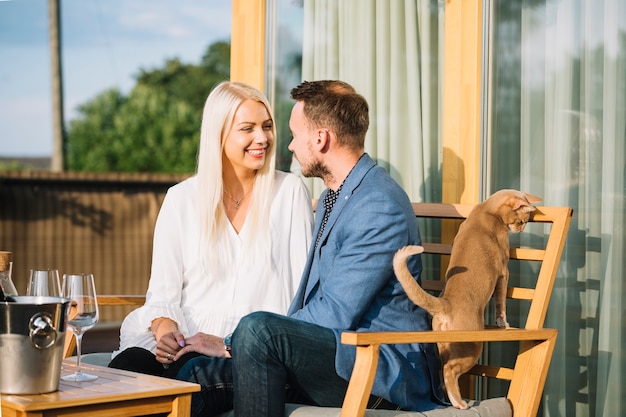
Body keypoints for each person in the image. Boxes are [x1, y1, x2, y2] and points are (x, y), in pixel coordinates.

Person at [177, 79, 446, 416]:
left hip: (380, 373)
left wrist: (231, 343)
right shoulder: (337, 196)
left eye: (294, 134)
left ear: (320, 139)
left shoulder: (378, 205)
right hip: (341, 356)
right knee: (196, 375)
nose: (288, 146)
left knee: (258, 329)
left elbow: (334, 312)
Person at [108, 81, 314, 378]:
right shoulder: (181, 198)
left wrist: (236, 343)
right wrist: (166, 331)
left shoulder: (289, 192)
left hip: (244, 346)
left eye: (267, 126)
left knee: (191, 372)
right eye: (248, 128)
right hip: (186, 339)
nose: (263, 138)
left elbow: (299, 296)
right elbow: (162, 294)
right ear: (218, 134)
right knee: (130, 365)